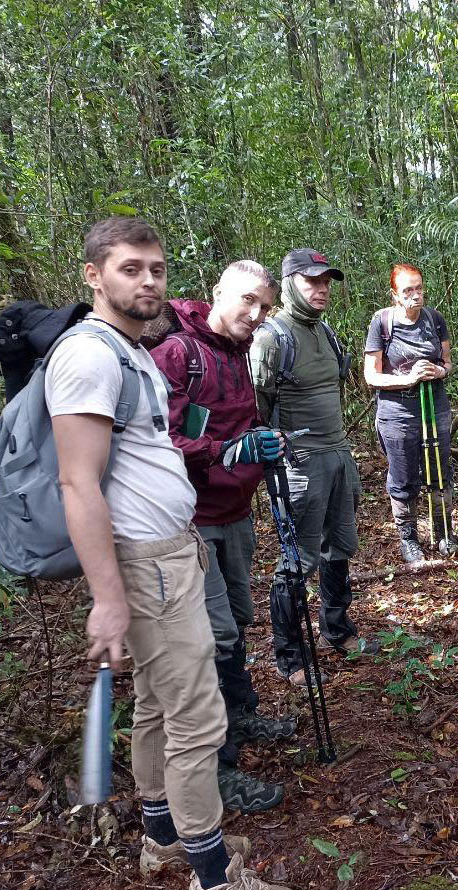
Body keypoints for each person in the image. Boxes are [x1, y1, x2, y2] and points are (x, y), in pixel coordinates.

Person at [48, 217, 297, 890]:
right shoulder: (89, 356)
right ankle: (216, 884)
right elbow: (77, 483)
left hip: (171, 549)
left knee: (159, 705)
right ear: (94, 275)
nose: (148, 280)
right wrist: (107, 598)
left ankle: (164, 838)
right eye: (131, 268)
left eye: (156, 268)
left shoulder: (131, 352)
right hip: (145, 560)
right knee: (197, 718)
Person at [150, 261, 298, 814]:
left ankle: (240, 713)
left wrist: (259, 440)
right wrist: (222, 452)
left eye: (264, 306)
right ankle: (217, 767)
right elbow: (155, 440)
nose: (256, 315)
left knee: (236, 622)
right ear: (218, 293)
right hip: (191, 522)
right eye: (247, 302)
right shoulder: (178, 353)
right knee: (207, 639)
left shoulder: (238, 353)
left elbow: (233, 425)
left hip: (236, 511)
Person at [249, 248, 365, 685]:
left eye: (326, 282)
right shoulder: (272, 338)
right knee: (297, 560)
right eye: (312, 281)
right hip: (300, 466)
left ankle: (337, 628)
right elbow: (259, 413)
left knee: (341, 547)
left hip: (338, 456)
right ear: (290, 284)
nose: (322, 289)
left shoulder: (327, 333)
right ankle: (291, 656)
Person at [363, 263, 455, 569]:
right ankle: (409, 538)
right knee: (403, 476)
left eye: (419, 288)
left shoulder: (434, 319)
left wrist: (438, 370)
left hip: (435, 404)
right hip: (397, 411)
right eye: (407, 291)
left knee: (440, 470)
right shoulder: (382, 323)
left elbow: (447, 362)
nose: (415, 295)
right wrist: (407, 379)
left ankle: (444, 533)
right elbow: (371, 376)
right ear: (395, 295)